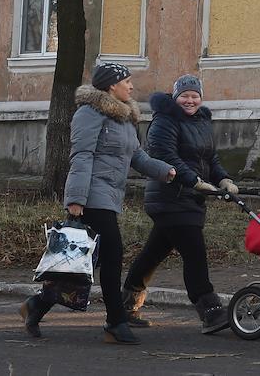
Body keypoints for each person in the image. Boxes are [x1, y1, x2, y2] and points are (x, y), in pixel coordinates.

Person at [19, 63, 175, 344]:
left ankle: (37, 306)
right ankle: (115, 322)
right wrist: (76, 200)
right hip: (92, 195)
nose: (130, 86)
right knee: (113, 254)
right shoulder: (89, 114)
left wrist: (166, 171)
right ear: (110, 86)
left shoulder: (125, 118)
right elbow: (81, 156)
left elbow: (137, 157)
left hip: (111, 195)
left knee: (90, 260)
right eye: (126, 81)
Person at [122, 74, 239, 333]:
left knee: (153, 253)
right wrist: (193, 181)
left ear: (200, 98)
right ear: (175, 97)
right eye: (184, 95)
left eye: (194, 95)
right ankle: (210, 310)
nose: (190, 100)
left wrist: (223, 179)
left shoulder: (201, 121)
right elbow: (165, 156)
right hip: (169, 197)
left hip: (190, 198)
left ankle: (125, 307)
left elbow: (211, 158)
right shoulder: (164, 121)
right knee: (194, 253)